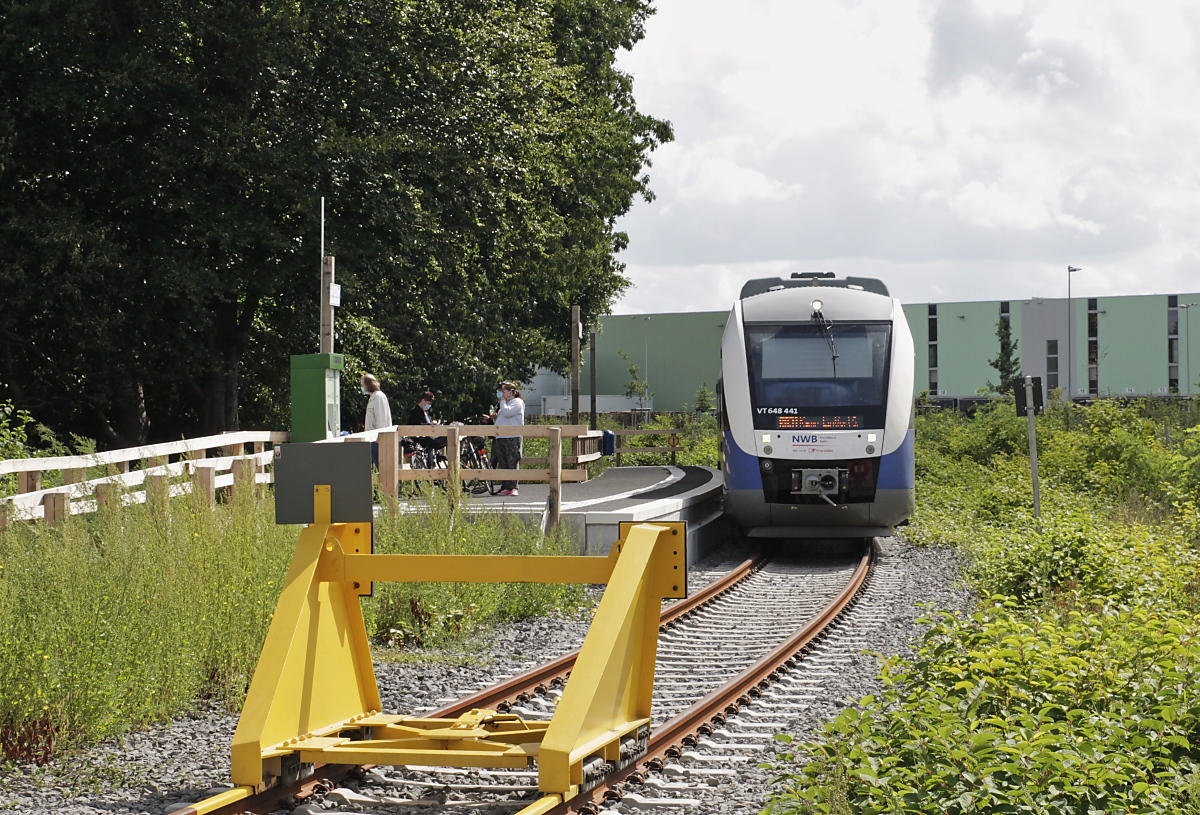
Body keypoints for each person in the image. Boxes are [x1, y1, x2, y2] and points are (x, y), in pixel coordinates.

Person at [490, 382, 525, 496]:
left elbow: (508, 412)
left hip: (512, 437)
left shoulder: (517, 402)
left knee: (512, 461)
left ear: (510, 392)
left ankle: (513, 486)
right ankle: (505, 486)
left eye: (503, 391)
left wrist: (502, 401)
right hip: (501, 436)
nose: (501, 394)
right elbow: (503, 417)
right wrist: (494, 418)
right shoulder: (505, 404)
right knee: (503, 462)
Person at [361, 374, 392, 468]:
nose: (362, 387)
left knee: (380, 465)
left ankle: (383, 483)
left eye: (362, 384)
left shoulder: (378, 396)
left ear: (367, 384)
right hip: (372, 438)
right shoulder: (373, 397)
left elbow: (381, 417)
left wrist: (379, 436)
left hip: (377, 439)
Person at [407, 390, 446, 460]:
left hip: (428, 436)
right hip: (420, 438)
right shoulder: (415, 412)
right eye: (428, 403)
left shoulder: (426, 413)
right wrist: (430, 424)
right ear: (423, 400)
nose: (429, 405)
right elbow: (418, 425)